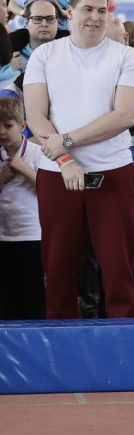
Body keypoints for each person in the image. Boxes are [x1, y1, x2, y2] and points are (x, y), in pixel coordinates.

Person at [23, 0, 134, 319]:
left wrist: (67, 141)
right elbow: (35, 116)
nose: (95, 17)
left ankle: (122, 341)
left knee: (118, 270)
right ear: (70, 12)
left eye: (102, 11)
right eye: (88, 9)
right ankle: (60, 343)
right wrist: (65, 160)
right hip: (57, 175)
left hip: (113, 173)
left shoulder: (126, 57)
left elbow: (124, 117)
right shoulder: (45, 55)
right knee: (58, 270)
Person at [0, 95, 45, 319]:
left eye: (8, 126)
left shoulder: (37, 152)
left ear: (22, 126)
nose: (2, 132)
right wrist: (3, 178)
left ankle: (35, 335)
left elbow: (48, 192)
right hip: (3, 235)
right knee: (6, 294)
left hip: (31, 234)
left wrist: (25, 170)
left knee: (32, 292)